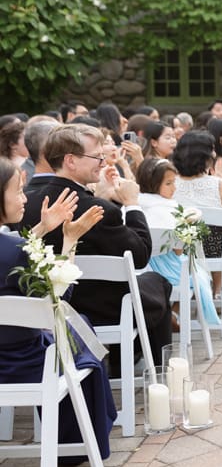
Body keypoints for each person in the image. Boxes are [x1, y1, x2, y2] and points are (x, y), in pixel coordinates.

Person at [20, 124, 173, 372]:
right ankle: (157, 371)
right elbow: (141, 255)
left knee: (148, 286)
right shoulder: (97, 210)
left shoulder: (28, 202)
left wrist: (101, 195)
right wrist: (132, 204)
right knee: (158, 281)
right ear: (70, 160)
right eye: (96, 157)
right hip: (101, 309)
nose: (103, 162)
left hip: (45, 309)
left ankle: (134, 363)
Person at [0, 158, 115, 461]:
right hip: (23, 365)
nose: (25, 198)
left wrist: (41, 228)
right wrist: (70, 238)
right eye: (18, 191)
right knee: (79, 333)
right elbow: (62, 292)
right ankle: (76, 445)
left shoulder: (15, 249)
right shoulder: (16, 252)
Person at [136, 158, 221, 328]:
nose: (174, 188)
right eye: (169, 183)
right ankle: (174, 312)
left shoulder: (133, 207)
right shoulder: (170, 210)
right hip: (171, 272)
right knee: (196, 270)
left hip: (141, 271)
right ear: (153, 184)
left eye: (174, 182)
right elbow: (177, 251)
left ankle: (172, 313)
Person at [172, 131, 222, 297]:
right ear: (205, 156)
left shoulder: (170, 183)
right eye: (212, 150)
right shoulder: (220, 184)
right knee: (219, 232)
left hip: (179, 249)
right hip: (215, 250)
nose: (214, 153)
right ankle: (217, 289)